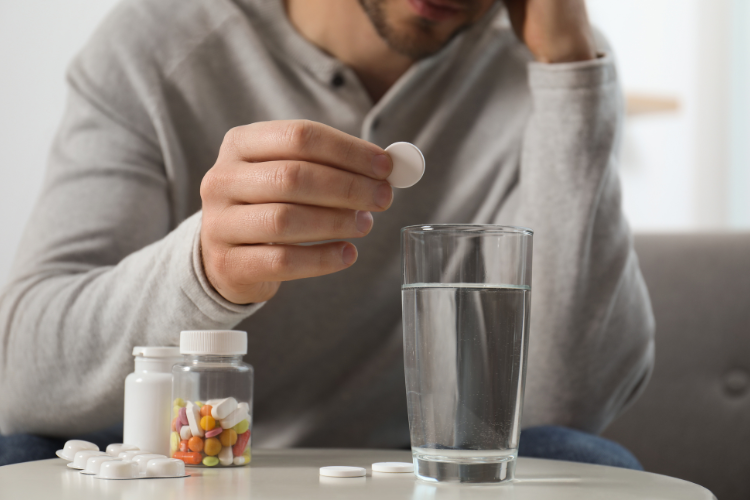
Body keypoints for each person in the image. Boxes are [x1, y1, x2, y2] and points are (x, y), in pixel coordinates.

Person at [0, 0, 653, 469]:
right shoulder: (157, 46)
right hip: (191, 455)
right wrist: (204, 269)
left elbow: (563, 405)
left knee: (583, 460)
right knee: (16, 459)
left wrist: (569, 64)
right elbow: (24, 377)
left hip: (421, 464)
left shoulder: (554, 65)